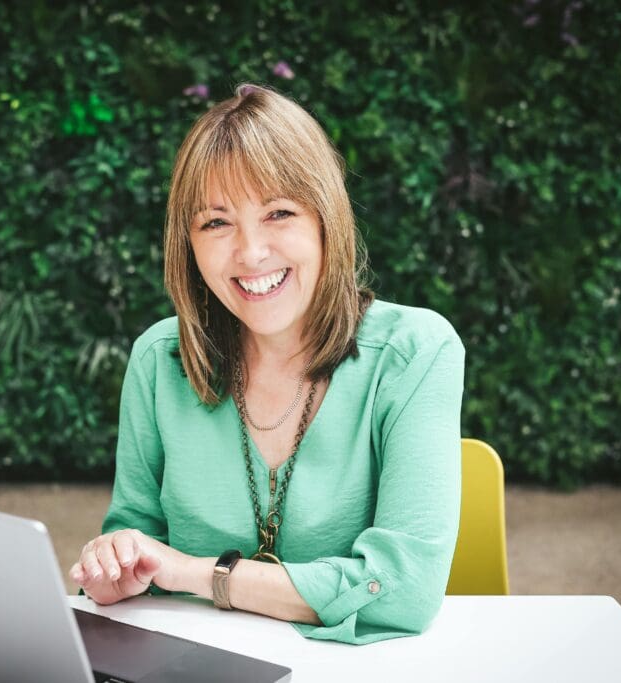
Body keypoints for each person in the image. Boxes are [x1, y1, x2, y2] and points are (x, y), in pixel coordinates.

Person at [69, 83, 465, 645]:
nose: (251, 253)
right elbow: (135, 542)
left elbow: (403, 591)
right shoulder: (159, 360)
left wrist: (197, 573)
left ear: (326, 219)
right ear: (189, 242)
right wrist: (115, 564)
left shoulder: (415, 352)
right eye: (216, 223)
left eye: (278, 213)